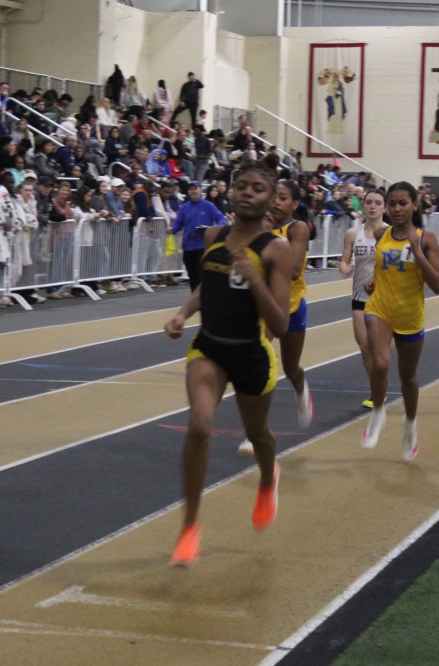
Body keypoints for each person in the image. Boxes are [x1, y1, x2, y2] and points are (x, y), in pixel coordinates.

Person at [163, 161, 293, 566]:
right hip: (210, 348)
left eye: (258, 188)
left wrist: (254, 280)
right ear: (231, 191)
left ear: (270, 200)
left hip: (251, 354)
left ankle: (269, 478)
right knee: (200, 427)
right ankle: (189, 527)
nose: (247, 192)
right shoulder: (214, 236)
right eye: (241, 185)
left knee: (258, 435)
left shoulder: (276, 249)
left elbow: (280, 324)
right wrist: (183, 313)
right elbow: (209, 285)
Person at [361, 181, 439, 460]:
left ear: (414, 205)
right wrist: (374, 284)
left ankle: (410, 426)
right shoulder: (380, 233)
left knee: (408, 377)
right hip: (380, 309)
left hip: (409, 315)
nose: (397, 209)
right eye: (393, 204)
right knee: (380, 363)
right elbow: (382, 268)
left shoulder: (426, 238)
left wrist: (418, 253)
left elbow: (438, 285)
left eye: (403, 203)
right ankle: (378, 412)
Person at [339, 188, 389, 408]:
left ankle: (380, 384)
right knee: (365, 346)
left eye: (378, 203)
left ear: (384, 207)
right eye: (368, 202)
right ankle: (377, 391)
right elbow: (344, 260)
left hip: (385, 298)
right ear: (363, 205)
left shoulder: (391, 233)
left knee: (381, 350)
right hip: (360, 297)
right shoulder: (352, 234)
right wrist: (344, 268)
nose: (372, 206)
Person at [170, 181, 226, 292]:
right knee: (192, 276)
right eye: (191, 189)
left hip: (202, 246)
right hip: (188, 247)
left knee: (202, 275)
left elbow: (221, 218)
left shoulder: (208, 206)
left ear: (200, 190)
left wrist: (217, 228)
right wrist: (172, 229)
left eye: (195, 189)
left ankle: (204, 297)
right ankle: (195, 297)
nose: (193, 191)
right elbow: (178, 223)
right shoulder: (184, 207)